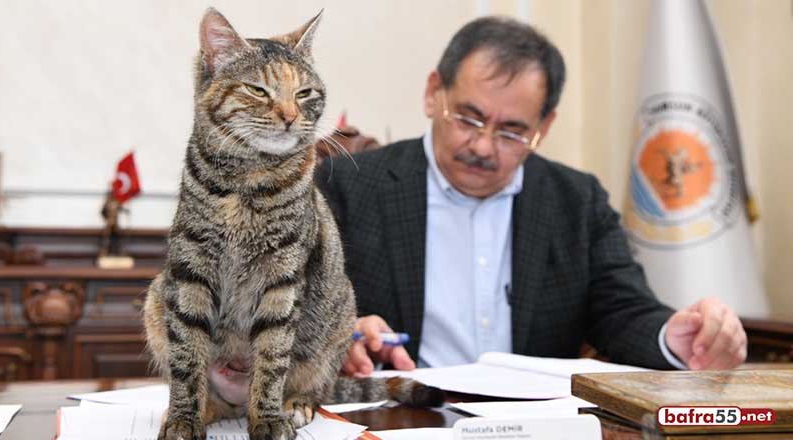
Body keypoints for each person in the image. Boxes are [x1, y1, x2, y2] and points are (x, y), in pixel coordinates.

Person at [314, 16, 747, 376]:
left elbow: (623, 310)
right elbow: (287, 307)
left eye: (511, 131)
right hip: (398, 422)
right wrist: (339, 331)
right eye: (469, 117)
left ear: (544, 126)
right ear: (433, 93)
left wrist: (675, 337)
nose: (483, 146)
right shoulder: (347, 184)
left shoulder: (576, 201)